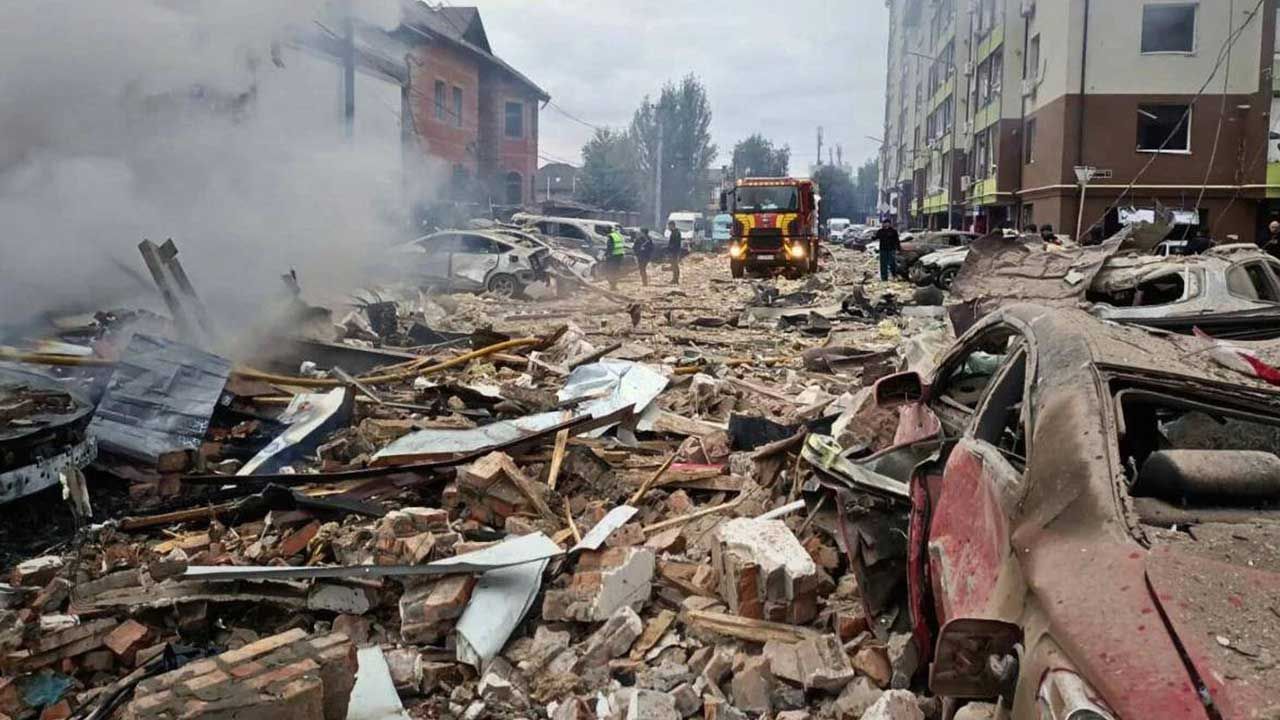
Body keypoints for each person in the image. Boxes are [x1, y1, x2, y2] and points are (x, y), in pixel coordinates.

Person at [666, 220, 683, 284]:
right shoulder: (674, 232)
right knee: (674, 265)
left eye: (669, 226)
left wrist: (670, 248)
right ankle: (674, 279)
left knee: (675, 266)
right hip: (673, 251)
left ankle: (676, 279)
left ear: (672, 225)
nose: (668, 227)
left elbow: (675, 243)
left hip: (675, 252)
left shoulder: (676, 233)